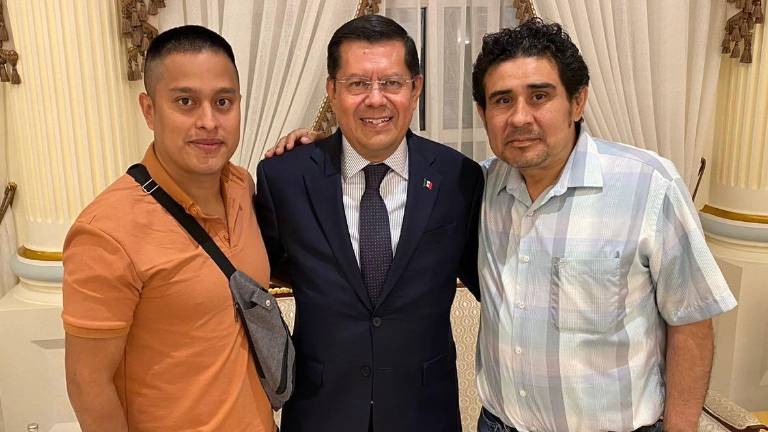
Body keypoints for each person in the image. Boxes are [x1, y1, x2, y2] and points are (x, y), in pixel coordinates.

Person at [471, 19, 736, 432]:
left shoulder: (648, 185)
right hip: (498, 425)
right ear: (483, 114)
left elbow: (692, 321)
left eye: (539, 96)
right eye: (502, 100)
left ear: (578, 102)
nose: (520, 117)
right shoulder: (481, 189)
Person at [255, 14, 484, 432]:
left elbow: (490, 281)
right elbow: (262, 272)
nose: (375, 100)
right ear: (332, 90)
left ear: (415, 88)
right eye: (357, 83)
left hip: (424, 414)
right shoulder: (285, 177)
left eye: (392, 83)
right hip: (321, 413)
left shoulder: (459, 178)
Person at [62, 25, 275, 432]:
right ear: (149, 110)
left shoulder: (241, 186)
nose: (209, 121)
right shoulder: (106, 233)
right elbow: (87, 384)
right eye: (185, 102)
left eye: (223, 102)